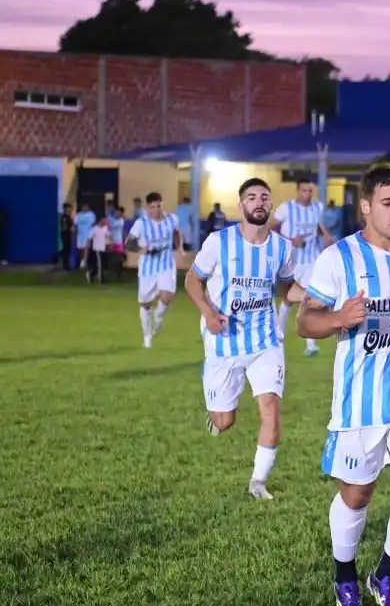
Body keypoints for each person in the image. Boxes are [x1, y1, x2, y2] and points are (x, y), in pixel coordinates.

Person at [290, 165, 390, 606]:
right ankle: (344, 574)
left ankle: (384, 576)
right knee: (357, 494)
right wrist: (338, 319)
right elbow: (305, 321)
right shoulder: (338, 259)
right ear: (366, 206)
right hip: (359, 403)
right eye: (388, 203)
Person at [185, 178, 295, 500]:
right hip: (224, 341)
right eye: (251, 197)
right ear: (241, 206)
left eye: (264, 197)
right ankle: (216, 413)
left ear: (271, 205)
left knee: (271, 408)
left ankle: (258, 482)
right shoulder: (219, 242)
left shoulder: (282, 248)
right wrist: (206, 311)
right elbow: (193, 280)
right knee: (224, 421)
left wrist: (324, 296)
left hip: (265, 341)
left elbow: (288, 289)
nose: (258, 202)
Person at [271, 177, 334, 355]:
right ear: (297, 191)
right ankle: (278, 336)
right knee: (288, 300)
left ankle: (310, 344)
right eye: (304, 191)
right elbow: (270, 227)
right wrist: (290, 240)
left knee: (311, 299)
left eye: (310, 191)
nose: (307, 194)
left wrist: (326, 235)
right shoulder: (286, 208)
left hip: (312, 260)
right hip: (292, 261)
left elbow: (318, 225)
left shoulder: (317, 207)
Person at [125, 192, 183, 348]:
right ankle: (147, 337)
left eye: (159, 206)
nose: (156, 210)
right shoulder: (141, 223)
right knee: (145, 303)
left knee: (167, 296)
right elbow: (129, 243)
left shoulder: (171, 219)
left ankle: (158, 317)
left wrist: (179, 248)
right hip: (147, 269)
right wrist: (143, 250)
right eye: (152, 207)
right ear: (147, 208)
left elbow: (176, 232)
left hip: (166, 265)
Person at [87, 217, 111, 283]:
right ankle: (101, 280)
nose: (105, 222)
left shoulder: (105, 228)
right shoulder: (94, 228)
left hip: (104, 248)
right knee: (100, 265)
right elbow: (89, 237)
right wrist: (88, 246)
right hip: (97, 248)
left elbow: (108, 235)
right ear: (100, 221)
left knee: (101, 264)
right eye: (104, 221)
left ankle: (91, 274)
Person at [74, 203, 96, 268]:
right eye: (84, 207)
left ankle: (84, 262)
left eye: (86, 207)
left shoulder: (91, 214)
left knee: (86, 248)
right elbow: (75, 224)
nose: (85, 208)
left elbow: (93, 223)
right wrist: (75, 231)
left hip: (88, 234)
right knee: (81, 249)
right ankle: (82, 260)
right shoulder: (78, 215)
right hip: (80, 235)